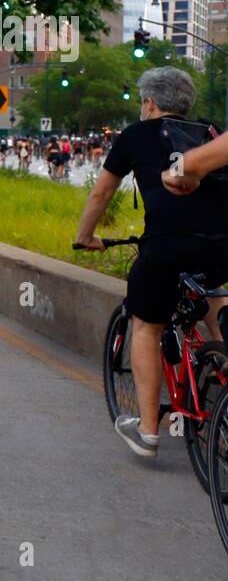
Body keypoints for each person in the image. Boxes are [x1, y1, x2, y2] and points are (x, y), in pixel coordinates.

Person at [78, 67, 228, 458]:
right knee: (215, 307)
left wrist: (84, 237)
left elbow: (101, 194)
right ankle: (221, 377)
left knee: (146, 325)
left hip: (167, 246)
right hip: (221, 245)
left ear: (149, 102)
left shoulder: (133, 135)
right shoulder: (213, 131)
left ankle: (147, 431)